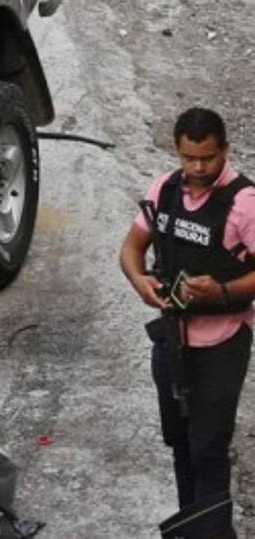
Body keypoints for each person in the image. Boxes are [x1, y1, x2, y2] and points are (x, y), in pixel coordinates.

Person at [119, 108, 254, 538]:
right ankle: (191, 531)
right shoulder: (166, 189)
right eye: (188, 158)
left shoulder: (244, 203)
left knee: (208, 450)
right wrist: (140, 282)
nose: (197, 168)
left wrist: (223, 292)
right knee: (180, 444)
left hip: (222, 346)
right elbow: (131, 248)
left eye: (207, 158)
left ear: (225, 149)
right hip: (172, 343)